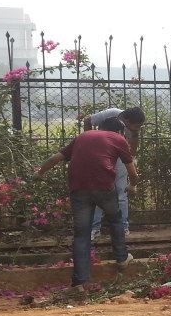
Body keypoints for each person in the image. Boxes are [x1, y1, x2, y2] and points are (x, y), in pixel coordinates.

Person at [36, 116, 138, 288]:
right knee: (115, 219)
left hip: (79, 188)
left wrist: (39, 173)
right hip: (104, 187)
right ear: (119, 131)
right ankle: (121, 258)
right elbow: (132, 170)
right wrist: (133, 186)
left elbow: (56, 157)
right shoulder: (119, 138)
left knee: (82, 234)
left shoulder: (82, 136)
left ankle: (80, 282)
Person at [81, 107, 146, 239]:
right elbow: (88, 120)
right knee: (99, 192)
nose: (137, 128)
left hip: (121, 159)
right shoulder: (111, 114)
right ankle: (95, 228)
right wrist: (92, 143)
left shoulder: (134, 130)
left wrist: (130, 160)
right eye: (136, 126)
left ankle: (123, 227)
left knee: (121, 194)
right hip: (101, 157)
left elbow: (132, 152)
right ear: (126, 120)